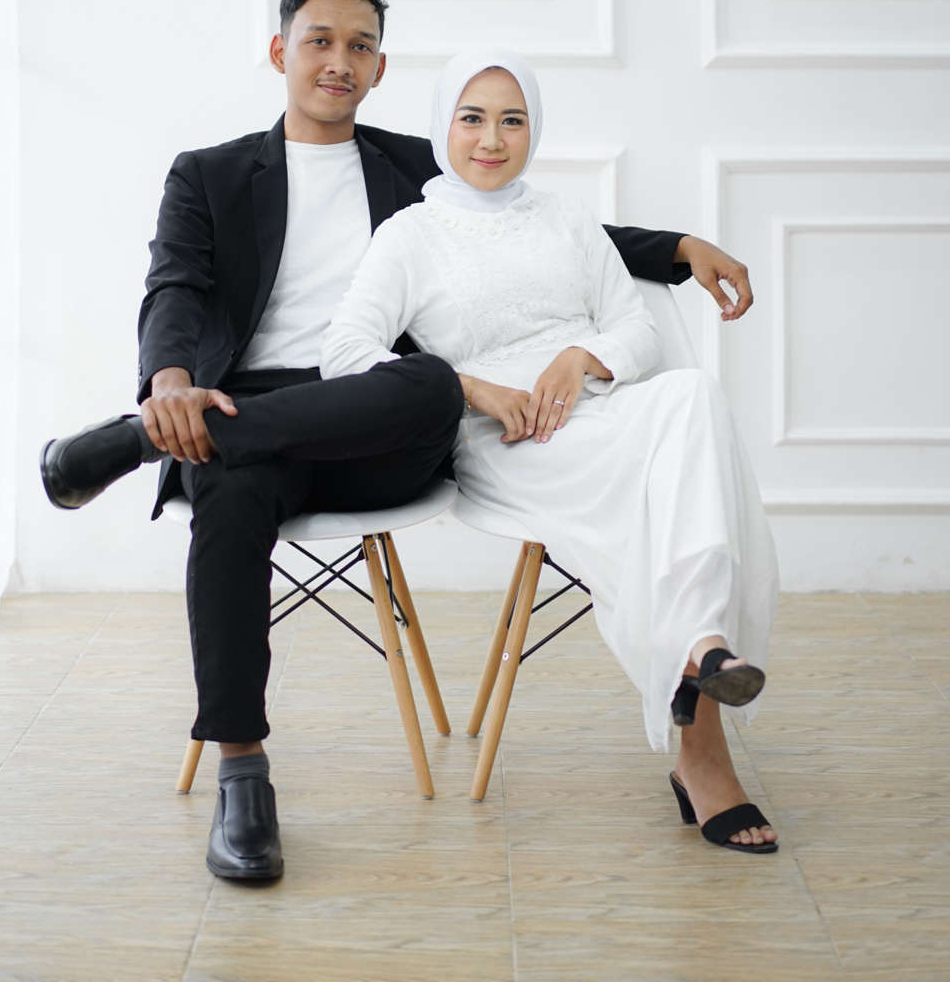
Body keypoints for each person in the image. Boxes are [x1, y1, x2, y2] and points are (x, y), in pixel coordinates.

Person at [39, 0, 758, 880]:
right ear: (281, 51)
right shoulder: (209, 174)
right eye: (320, 41)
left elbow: (527, 226)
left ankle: (131, 444)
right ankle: (243, 775)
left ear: (380, 68)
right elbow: (174, 288)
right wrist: (172, 387)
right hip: (240, 415)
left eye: (361, 46)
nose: (339, 62)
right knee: (230, 488)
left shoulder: (413, 163)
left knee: (429, 383)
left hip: (380, 423)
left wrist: (681, 249)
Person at [321, 51, 780, 853]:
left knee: (693, 395)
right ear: (441, 126)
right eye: (472, 118)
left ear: (534, 129)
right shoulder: (410, 235)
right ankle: (702, 730)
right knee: (672, 488)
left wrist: (582, 357)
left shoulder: (567, 219)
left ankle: (700, 646)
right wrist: (468, 388)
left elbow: (635, 329)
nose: (492, 140)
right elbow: (345, 352)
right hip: (508, 439)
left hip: (602, 410)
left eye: (513, 120)